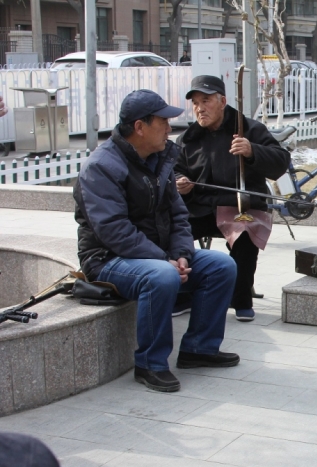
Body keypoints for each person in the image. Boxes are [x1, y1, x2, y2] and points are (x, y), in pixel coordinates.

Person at [73, 89, 240, 393]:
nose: (169, 128)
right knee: (161, 277)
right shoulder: (100, 167)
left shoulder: (161, 159)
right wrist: (164, 261)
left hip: (159, 255)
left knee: (221, 265)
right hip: (108, 260)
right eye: (163, 122)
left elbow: (178, 215)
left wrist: (181, 255)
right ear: (140, 127)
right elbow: (113, 230)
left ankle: (199, 349)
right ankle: (150, 364)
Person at [175, 75, 290, 321]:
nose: (199, 108)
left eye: (205, 101)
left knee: (245, 235)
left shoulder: (250, 129)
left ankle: (240, 299)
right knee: (172, 232)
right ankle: (183, 293)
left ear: (223, 101)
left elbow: (280, 162)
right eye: (195, 103)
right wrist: (180, 182)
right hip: (199, 207)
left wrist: (252, 151)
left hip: (240, 205)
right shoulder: (188, 138)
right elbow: (175, 168)